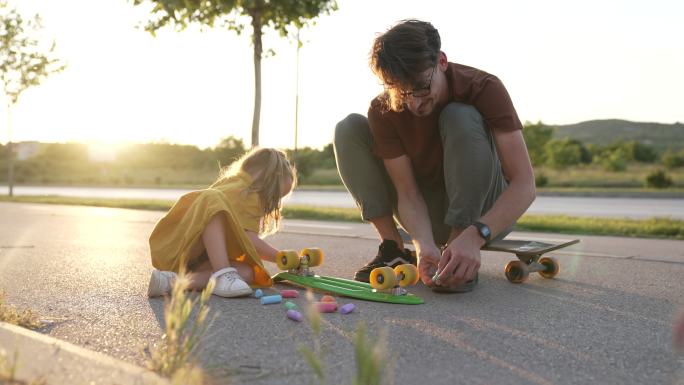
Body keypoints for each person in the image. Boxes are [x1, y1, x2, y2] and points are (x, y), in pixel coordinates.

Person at [334, 19, 536, 292]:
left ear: (441, 61)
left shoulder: (484, 87)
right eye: (402, 92)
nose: (414, 102)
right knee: (349, 127)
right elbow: (407, 193)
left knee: (459, 114)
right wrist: (422, 244)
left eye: (422, 86)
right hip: (426, 215)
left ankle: (459, 250)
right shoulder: (385, 109)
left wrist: (475, 235)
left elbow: (524, 185)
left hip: (484, 212)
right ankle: (393, 249)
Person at [146, 147, 296, 298]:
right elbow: (249, 240)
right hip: (179, 249)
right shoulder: (246, 194)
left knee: (247, 273)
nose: (274, 203)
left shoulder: (232, 184)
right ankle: (222, 273)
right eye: (275, 196)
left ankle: (171, 282)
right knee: (214, 202)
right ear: (266, 183)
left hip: (189, 257)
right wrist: (281, 258)